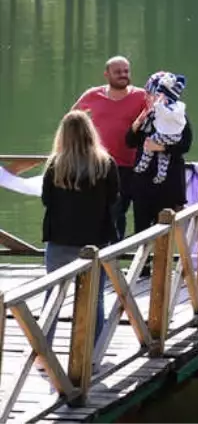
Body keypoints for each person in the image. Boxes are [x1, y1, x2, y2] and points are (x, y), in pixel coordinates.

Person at [42, 110, 119, 343]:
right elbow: (114, 198)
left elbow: (46, 199)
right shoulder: (105, 164)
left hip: (59, 239)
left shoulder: (56, 165)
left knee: (53, 296)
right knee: (94, 299)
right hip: (94, 240)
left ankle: (43, 351)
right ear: (90, 133)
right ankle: (92, 354)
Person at [73, 56, 148, 240]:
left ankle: (118, 260)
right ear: (107, 74)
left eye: (126, 71)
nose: (123, 75)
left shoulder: (141, 96)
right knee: (108, 213)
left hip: (132, 166)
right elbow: (72, 121)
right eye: (118, 72)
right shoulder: (93, 95)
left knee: (129, 213)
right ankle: (108, 259)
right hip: (100, 165)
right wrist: (81, 148)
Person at [126, 71, 194, 234]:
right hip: (143, 183)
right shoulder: (146, 116)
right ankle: (144, 259)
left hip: (168, 182)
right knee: (141, 232)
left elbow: (185, 145)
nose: (148, 98)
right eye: (148, 94)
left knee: (165, 232)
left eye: (152, 94)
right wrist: (137, 124)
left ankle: (162, 260)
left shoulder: (177, 116)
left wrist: (161, 148)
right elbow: (129, 142)